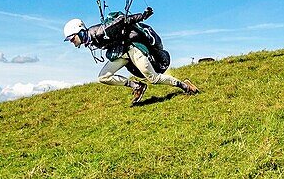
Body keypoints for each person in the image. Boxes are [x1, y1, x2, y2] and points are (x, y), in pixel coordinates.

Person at [63, 6, 199, 106]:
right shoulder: (91, 39)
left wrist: (143, 16)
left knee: (153, 78)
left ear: (79, 32)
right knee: (103, 77)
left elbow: (123, 20)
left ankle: (184, 85)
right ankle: (137, 86)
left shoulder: (99, 32)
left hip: (132, 49)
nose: (72, 42)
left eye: (72, 39)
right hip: (122, 53)